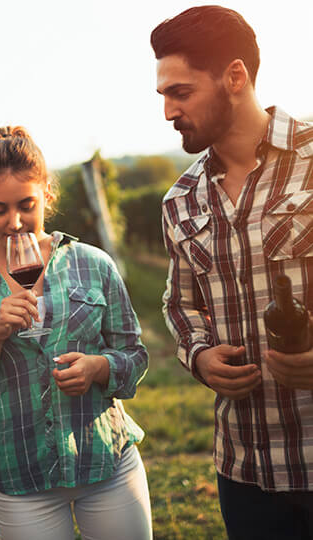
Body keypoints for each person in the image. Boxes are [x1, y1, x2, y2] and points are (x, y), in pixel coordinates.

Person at [0, 126, 152, 540]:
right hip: (22, 482)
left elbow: (135, 357)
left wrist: (98, 368)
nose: (14, 222)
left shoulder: (93, 264)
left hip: (106, 462)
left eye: (26, 205)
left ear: (47, 195)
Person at [151, 6, 313, 539]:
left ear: (235, 77)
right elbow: (180, 305)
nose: (169, 111)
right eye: (164, 96)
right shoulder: (180, 200)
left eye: (181, 92)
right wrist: (198, 354)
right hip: (244, 470)